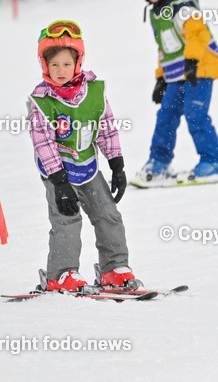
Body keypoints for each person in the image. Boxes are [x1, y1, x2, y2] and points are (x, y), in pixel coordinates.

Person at [27, 20, 140, 292]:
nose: (61, 70)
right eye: (54, 65)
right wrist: (60, 183)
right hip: (58, 174)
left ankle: (114, 268)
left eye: (66, 64)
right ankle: (61, 274)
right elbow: (43, 143)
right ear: (44, 65)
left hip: (88, 167)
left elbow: (106, 128)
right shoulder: (42, 101)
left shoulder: (94, 93)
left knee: (108, 213)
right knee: (67, 220)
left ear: (77, 63)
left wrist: (117, 165)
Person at [130, 0, 218, 182]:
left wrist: (192, 62)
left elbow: (198, 33)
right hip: (177, 74)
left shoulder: (182, 5)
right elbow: (165, 49)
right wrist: (161, 78)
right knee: (166, 115)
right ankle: (159, 162)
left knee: (196, 114)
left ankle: (214, 162)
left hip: (199, 68)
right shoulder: (157, 12)